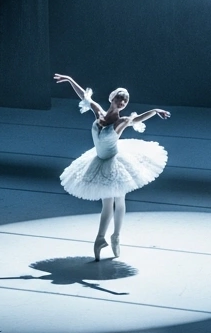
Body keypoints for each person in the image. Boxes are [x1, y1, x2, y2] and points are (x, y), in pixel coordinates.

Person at [53, 75, 170, 261]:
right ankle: (101, 238)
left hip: (115, 162)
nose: (122, 102)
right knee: (107, 204)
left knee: (118, 200)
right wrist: (68, 79)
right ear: (112, 98)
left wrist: (154, 111)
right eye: (119, 98)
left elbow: (137, 118)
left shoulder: (121, 121)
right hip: (99, 160)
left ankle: (115, 236)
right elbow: (85, 96)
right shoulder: (99, 113)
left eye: (125, 100)